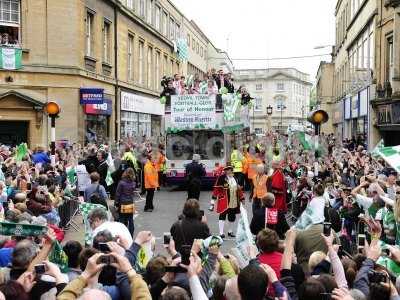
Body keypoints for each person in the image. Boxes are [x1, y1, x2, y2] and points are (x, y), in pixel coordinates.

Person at [213, 165, 245, 238]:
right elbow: (216, 189)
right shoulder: (221, 178)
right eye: (228, 170)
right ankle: (221, 233)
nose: (230, 171)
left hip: (233, 200)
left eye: (230, 170)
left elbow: (238, 189)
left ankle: (230, 231)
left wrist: (242, 198)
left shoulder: (235, 178)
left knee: (232, 216)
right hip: (224, 200)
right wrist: (213, 199)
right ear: (225, 171)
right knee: (222, 215)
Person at [267, 160, 288, 239]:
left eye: (272, 164)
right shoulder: (276, 172)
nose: (271, 166)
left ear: (275, 165)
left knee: (277, 216)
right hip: (276, 198)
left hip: (277, 199)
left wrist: (270, 192)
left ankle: (278, 233)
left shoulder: (278, 173)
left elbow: (277, 188)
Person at [115, 168, 136, 236]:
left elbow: (118, 194)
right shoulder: (133, 183)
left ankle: (122, 235)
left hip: (123, 203)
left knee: (122, 220)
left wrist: (116, 203)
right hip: (130, 202)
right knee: (131, 220)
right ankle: (131, 235)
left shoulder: (121, 183)